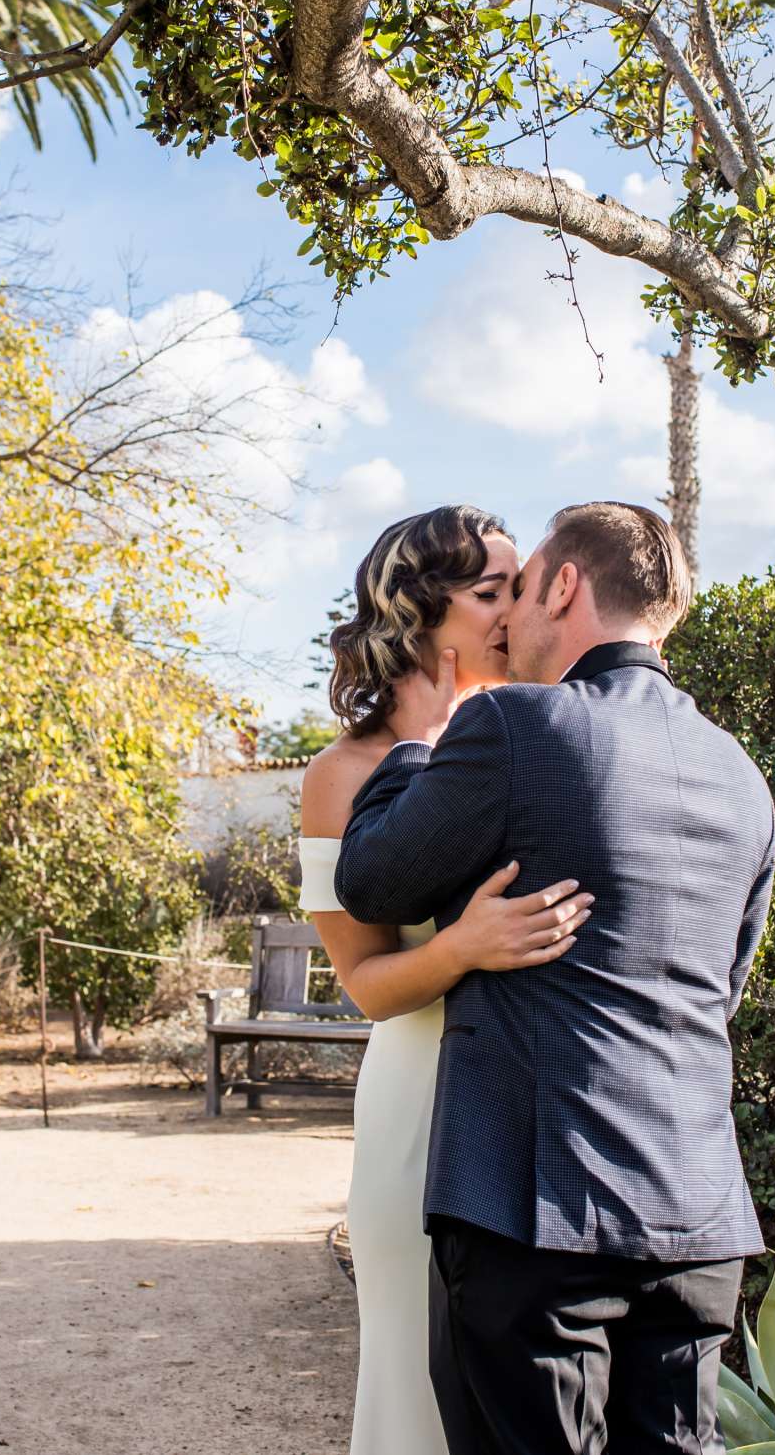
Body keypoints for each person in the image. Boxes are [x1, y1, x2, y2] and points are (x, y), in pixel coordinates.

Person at [337, 501, 775, 1455]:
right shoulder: (741, 776)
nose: (511, 615)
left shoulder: (514, 726)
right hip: (696, 1221)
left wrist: (420, 741)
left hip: (536, 1219)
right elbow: (723, 988)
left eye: (524, 586)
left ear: (566, 585)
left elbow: (369, 875)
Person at [298, 504, 599, 1455]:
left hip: (543, 1106)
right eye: (491, 590)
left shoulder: (542, 734)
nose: (517, 607)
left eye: (520, 585)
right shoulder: (341, 774)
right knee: (414, 1376)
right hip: (421, 1101)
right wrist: (461, 947)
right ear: (420, 612)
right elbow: (366, 982)